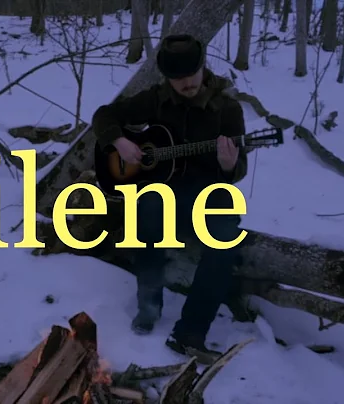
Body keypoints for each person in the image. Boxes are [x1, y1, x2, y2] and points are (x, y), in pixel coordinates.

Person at [91, 34, 248, 364]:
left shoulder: (228, 108)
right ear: (167, 78)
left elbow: (239, 167)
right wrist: (119, 141)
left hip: (211, 192)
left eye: (192, 74)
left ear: (202, 67)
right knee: (144, 215)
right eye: (178, 79)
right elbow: (104, 115)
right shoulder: (156, 99)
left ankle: (189, 332)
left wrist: (229, 164)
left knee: (225, 242)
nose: (187, 83)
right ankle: (149, 305)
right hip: (166, 189)